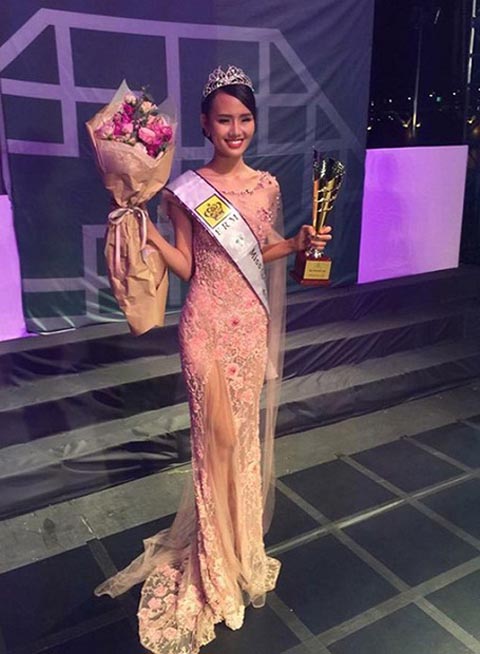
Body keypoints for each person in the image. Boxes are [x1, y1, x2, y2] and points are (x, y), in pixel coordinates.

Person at [95, 65, 332, 653]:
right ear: (204, 123)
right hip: (203, 324)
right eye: (224, 119)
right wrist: (150, 235)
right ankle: (212, 562)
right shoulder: (184, 190)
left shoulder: (267, 186)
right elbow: (190, 267)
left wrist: (296, 244)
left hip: (248, 326)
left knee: (240, 440)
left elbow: (263, 251)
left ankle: (238, 549)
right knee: (215, 441)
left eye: (244, 119)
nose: (236, 130)